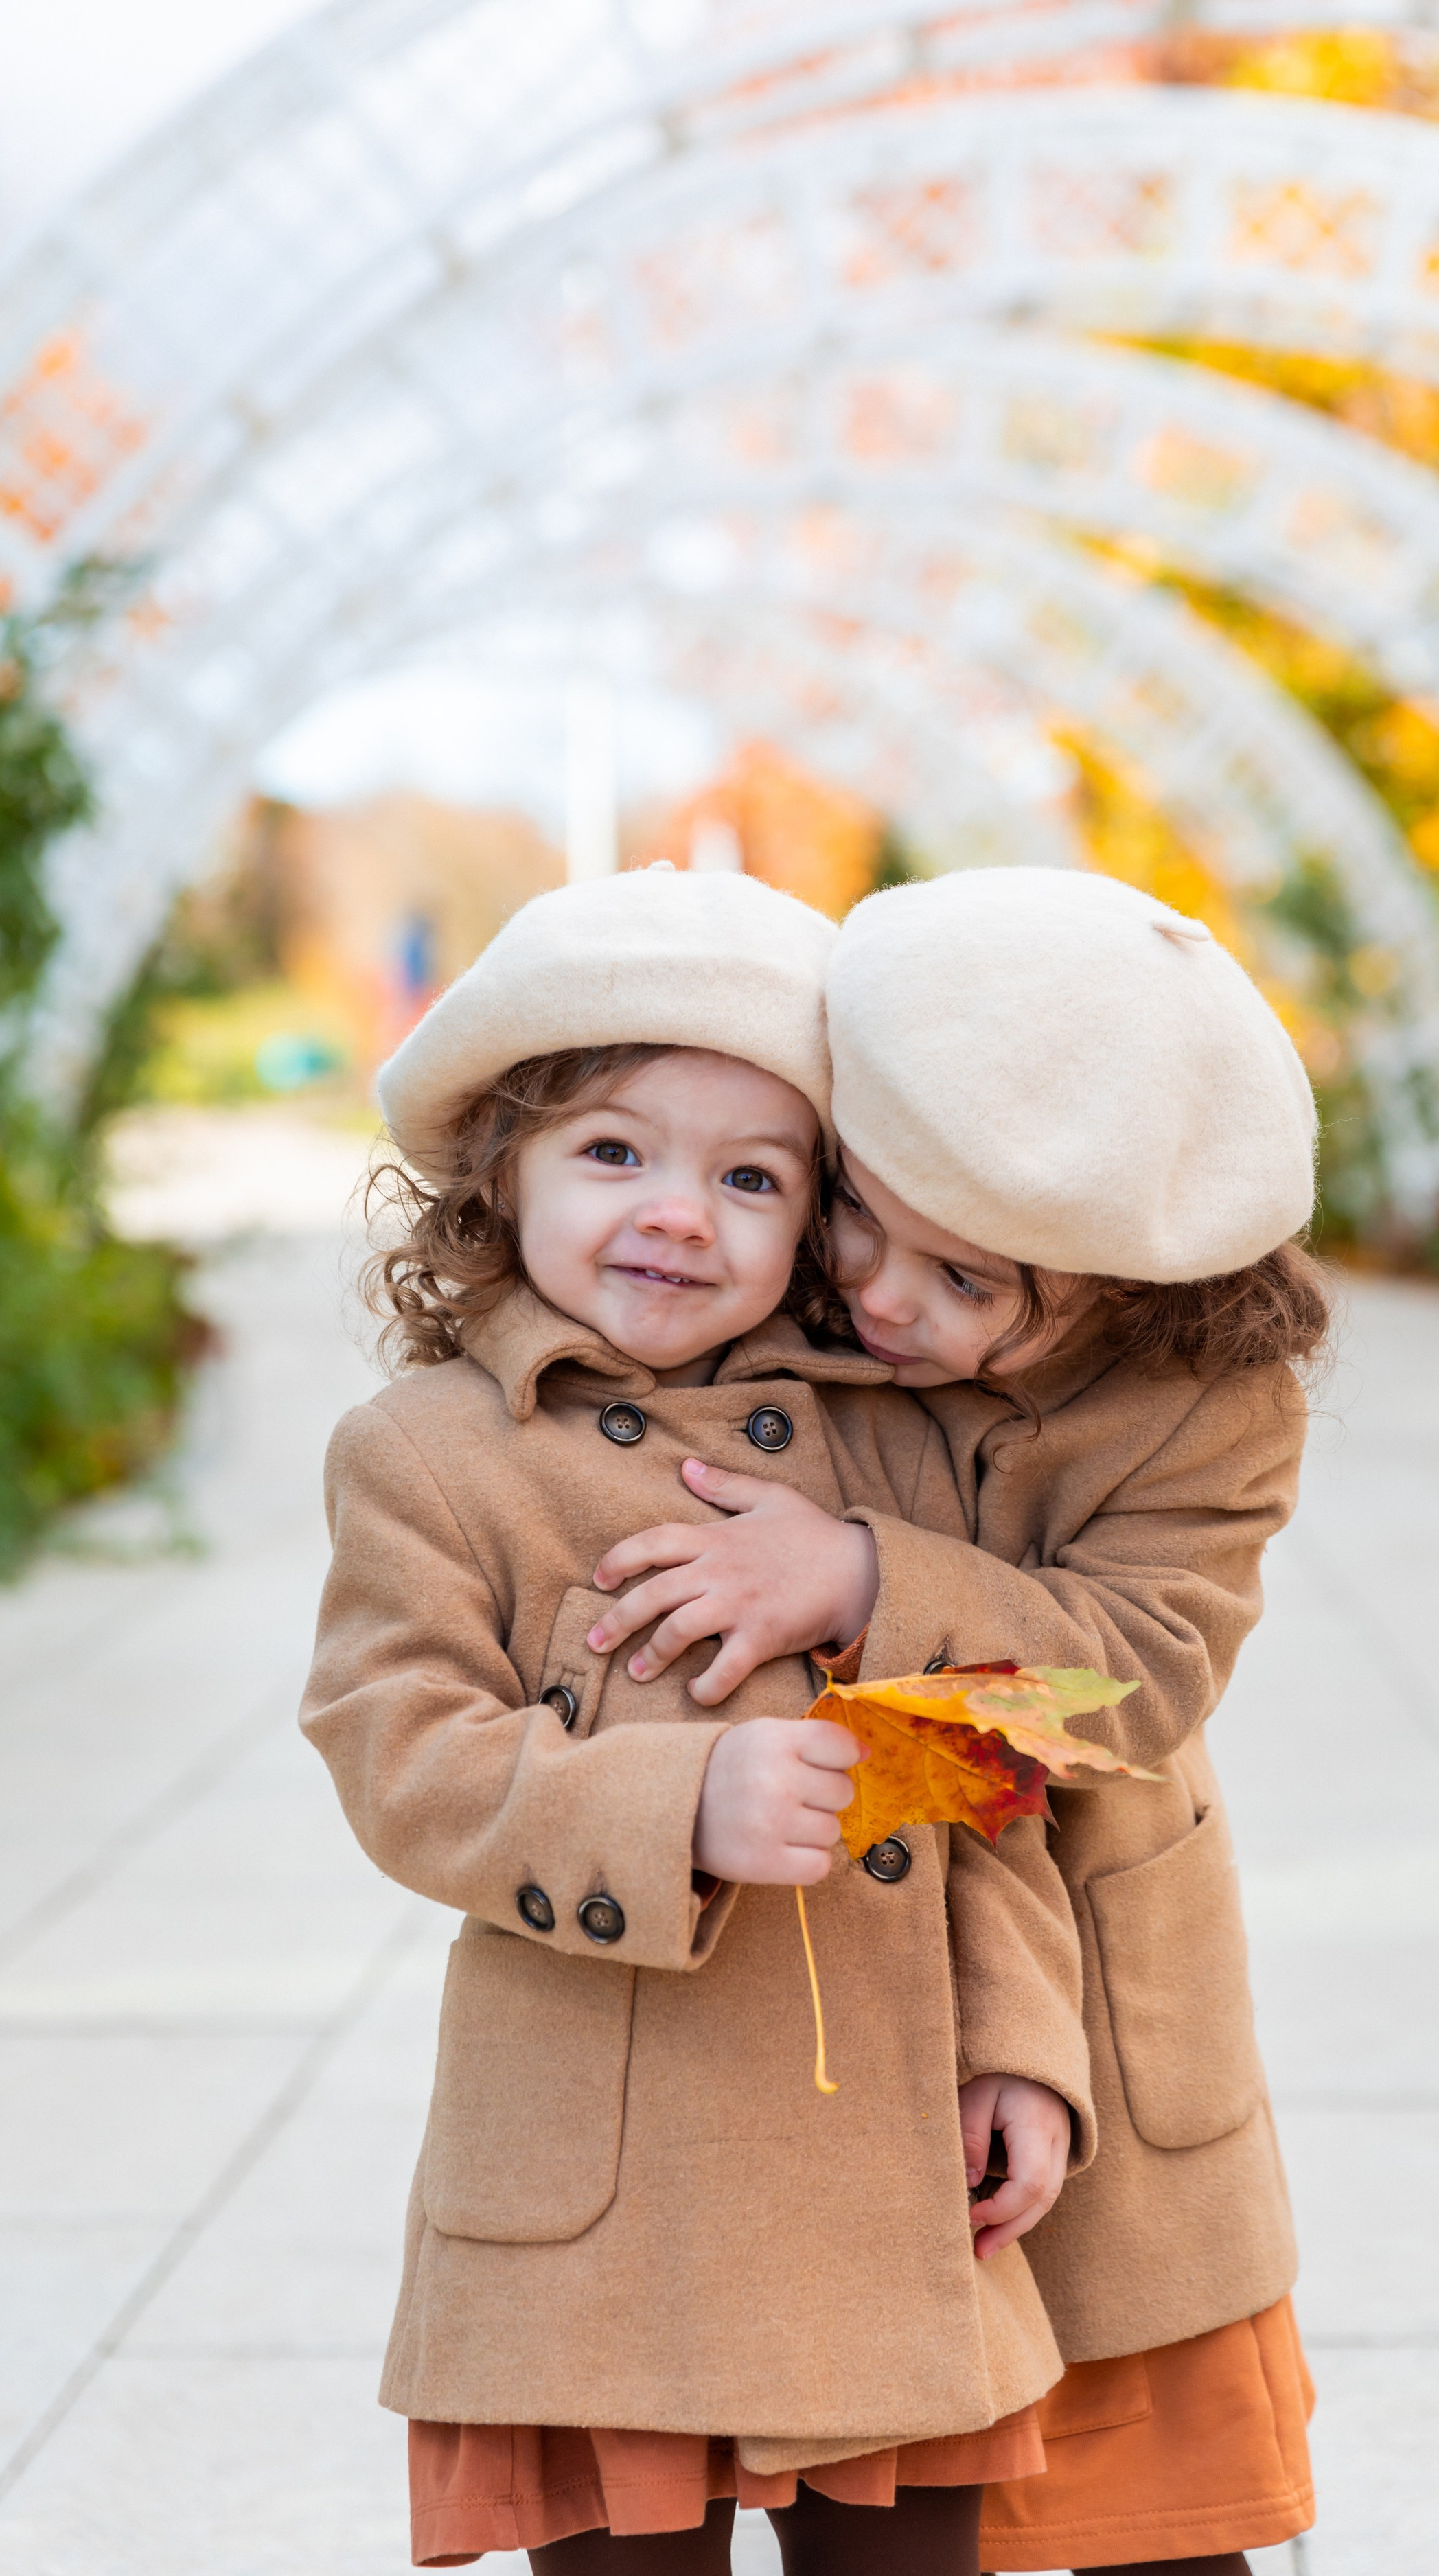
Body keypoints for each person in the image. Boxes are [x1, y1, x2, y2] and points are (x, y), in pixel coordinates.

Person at [299, 866, 1096, 2576]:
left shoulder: (888, 1450)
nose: (680, 1213)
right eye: (613, 1152)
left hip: (887, 2169)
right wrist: (676, 1807)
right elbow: (398, 1750)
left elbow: (990, 1762)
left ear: (817, 1224)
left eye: (751, 1177)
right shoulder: (429, 1457)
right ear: (496, 1167)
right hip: (606, 2191)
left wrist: (1021, 2043)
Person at [585, 868, 1326, 2574]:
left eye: (971, 1281)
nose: (886, 1300)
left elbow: (1126, 1682)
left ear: (1126, 1288)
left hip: (1102, 1983)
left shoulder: (1206, 1408)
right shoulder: (787, 1317)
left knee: (1151, 2484)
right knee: (889, 2465)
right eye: (861, 1218)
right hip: (838, 1999)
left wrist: (856, 1576)